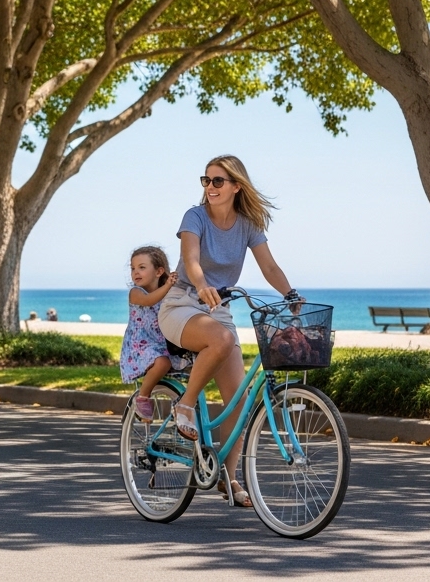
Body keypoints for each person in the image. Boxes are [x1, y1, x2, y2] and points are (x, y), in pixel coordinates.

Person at [157, 154, 301, 508]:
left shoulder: (248, 224)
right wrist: (204, 285)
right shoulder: (195, 216)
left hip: (217, 309)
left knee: (238, 399)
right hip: (182, 303)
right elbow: (191, 258)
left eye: (217, 181)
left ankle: (229, 478)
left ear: (237, 185)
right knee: (221, 339)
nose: (210, 188)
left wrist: (291, 295)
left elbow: (268, 265)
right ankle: (185, 405)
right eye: (206, 181)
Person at [120, 246, 184, 421]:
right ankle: (143, 396)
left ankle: (183, 405)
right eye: (133, 268)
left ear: (159, 271)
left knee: (194, 364)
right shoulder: (136, 293)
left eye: (142, 267)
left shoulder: (168, 292)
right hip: (140, 345)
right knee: (162, 363)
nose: (135, 272)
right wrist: (169, 285)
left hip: (161, 343)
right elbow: (150, 300)